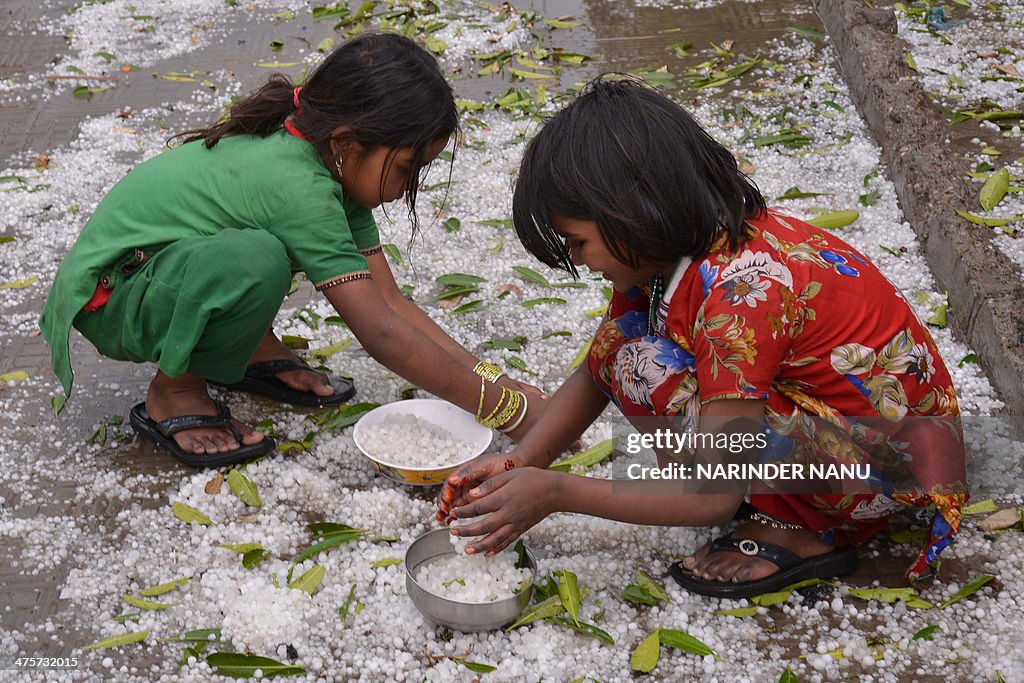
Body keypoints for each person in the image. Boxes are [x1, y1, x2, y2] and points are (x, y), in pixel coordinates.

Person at [437, 77, 965, 598]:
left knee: (650, 372)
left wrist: (557, 492)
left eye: (578, 243)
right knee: (625, 350)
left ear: (634, 213)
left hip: (890, 468)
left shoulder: (741, 293)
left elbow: (713, 498)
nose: (577, 260)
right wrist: (520, 464)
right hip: (851, 435)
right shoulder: (667, 257)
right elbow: (598, 369)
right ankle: (771, 496)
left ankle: (805, 530)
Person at [40, 33, 541, 468]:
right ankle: (174, 391)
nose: (409, 185)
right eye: (408, 167)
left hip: (162, 273)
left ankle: (247, 348)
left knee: (255, 255)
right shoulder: (299, 188)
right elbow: (383, 335)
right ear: (347, 142)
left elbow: (392, 304)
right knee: (255, 261)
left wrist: (499, 383)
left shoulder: (329, 165)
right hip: (112, 296)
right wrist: (505, 412)